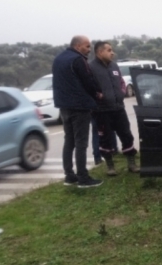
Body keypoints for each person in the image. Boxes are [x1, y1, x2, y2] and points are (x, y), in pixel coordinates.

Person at [52, 35, 103, 188]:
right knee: (81, 142)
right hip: (79, 106)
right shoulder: (78, 60)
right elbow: (87, 81)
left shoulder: (59, 58)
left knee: (69, 141)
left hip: (64, 106)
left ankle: (69, 175)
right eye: (87, 46)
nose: (89, 50)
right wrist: (97, 93)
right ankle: (83, 178)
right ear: (78, 45)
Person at [89, 41, 140, 176]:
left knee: (126, 135)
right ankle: (110, 166)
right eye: (109, 50)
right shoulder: (90, 68)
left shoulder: (114, 66)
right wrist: (97, 96)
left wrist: (121, 93)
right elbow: (86, 86)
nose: (113, 53)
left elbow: (122, 82)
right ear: (100, 52)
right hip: (101, 110)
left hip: (118, 108)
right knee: (105, 139)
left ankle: (131, 163)